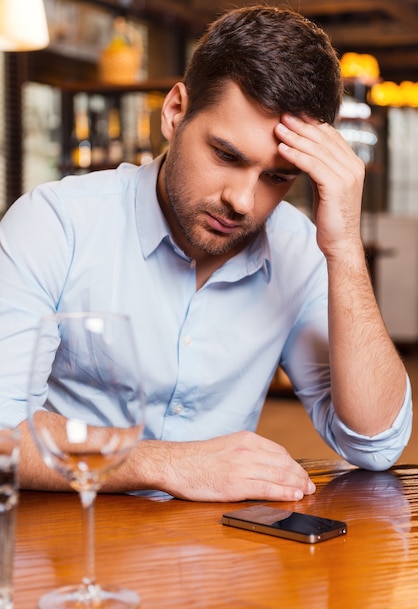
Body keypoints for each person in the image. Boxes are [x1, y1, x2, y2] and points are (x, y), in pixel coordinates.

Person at [0, 5, 412, 502]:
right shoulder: (56, 222)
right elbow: (3, 434)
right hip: (70, 549)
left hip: (214, 557)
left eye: (277, 177)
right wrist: (166, 464)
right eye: (226, 155)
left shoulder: (298, 249)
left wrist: (344, 246)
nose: (241, 201)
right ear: (175, 112)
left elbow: (376, 443)